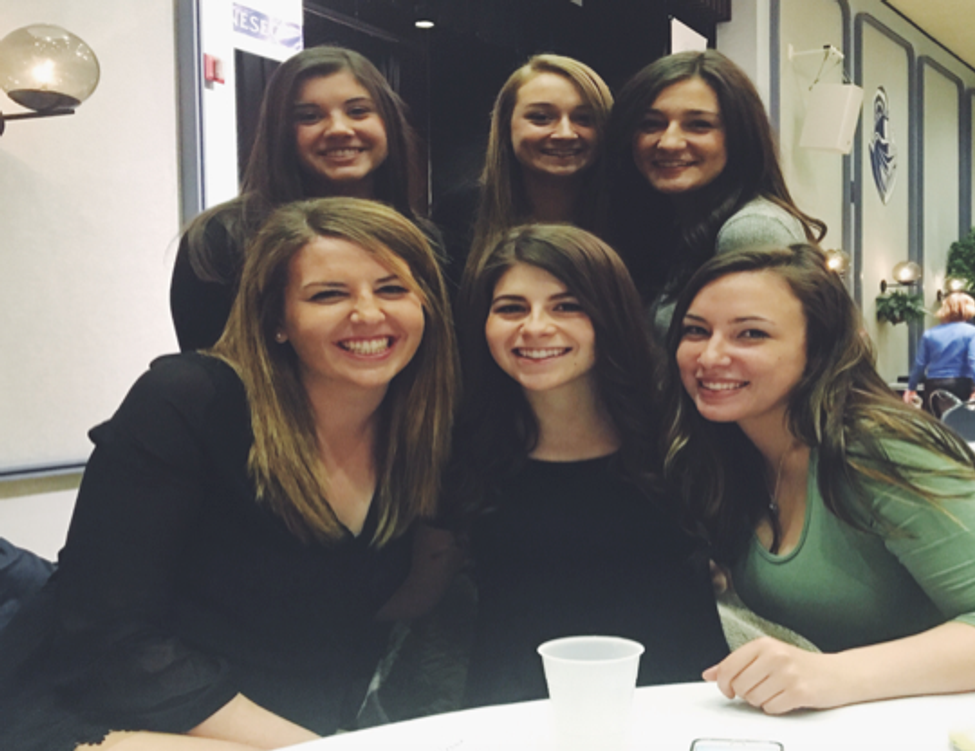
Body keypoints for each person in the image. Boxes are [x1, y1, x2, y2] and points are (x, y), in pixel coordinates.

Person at [0, 198, 457, 750]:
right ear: (277, 320)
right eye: (328, 294)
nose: (367, 313)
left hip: (281, 724)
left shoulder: (424, 433)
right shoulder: (187, 400)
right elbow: (106, 639)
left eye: (392, 289)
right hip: (97, 707)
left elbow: (378, 605)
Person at [663, 243, 975, 715]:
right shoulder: (728, 451)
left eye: (750, 333)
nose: (709, 355)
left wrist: (833, 675)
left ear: (817, 350)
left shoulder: (878, 447)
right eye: (696, 331)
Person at [452, 224, 729, 708]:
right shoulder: (463, 441)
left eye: (566, 306)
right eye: (511, 308)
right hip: (513, 714)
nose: (535, 326)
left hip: (680, 707)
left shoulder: (682, 429)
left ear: (609, 314)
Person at [171, 45, 427, 352]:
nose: (339, 129)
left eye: (358, 111)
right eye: (309, 116)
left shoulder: (428, 242)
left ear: (389, 122)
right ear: (280, 131)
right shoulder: (220, 241)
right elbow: (209, 366)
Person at [608, 50, 825, 316]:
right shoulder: (672, 224)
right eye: (651, 124)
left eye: (699, 125)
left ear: (739, 134)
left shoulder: (751, 230)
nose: (668, 142)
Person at [434, 54, 612, 288]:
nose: (565, 133)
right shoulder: (457, 215)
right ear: (506, 125)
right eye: (541, 118)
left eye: (584, 119)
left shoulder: (633, 219)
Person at [903, 291, 975, 415]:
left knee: (935, 421)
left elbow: (919, 364)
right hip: (961, 383)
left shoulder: (930, 334)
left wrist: (911, 388)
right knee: (961, 421)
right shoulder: (973, 333)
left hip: (933, 384)